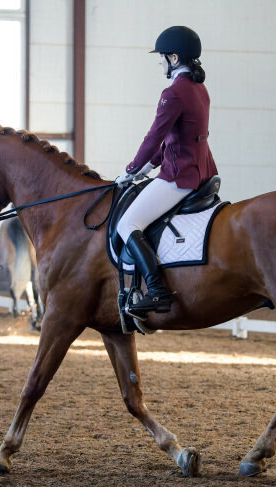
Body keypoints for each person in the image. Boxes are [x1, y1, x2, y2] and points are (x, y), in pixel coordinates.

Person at [115, 25, 219, 316]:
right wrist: (147, 167)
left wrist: (131, 169)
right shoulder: (199, 88)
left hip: (180, 175)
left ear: (173, 58)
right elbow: (178, 139)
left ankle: (158, 290)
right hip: (202, 168)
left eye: (161, 57)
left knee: (127, 225)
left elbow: (154, 137)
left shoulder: (173, 92)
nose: (159, 62)